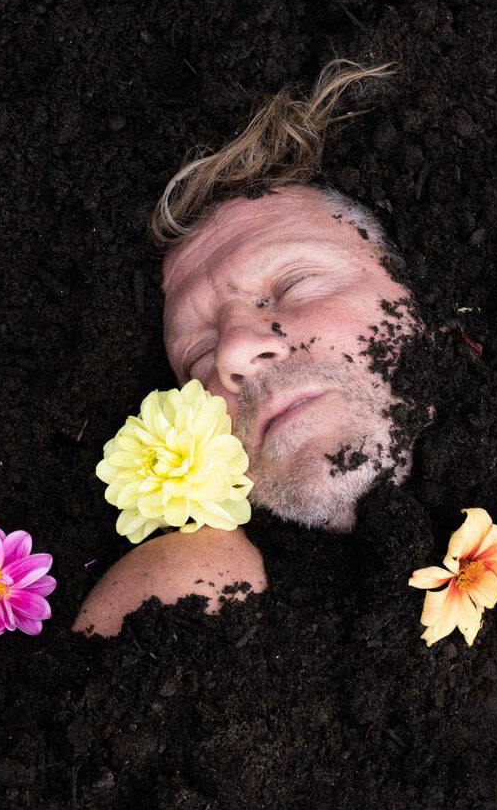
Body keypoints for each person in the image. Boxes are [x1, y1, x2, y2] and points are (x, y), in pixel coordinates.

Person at [74, 61, 418, 637]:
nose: (232, 354)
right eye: (197, 357)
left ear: (415, 282)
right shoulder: (194, 599)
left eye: (290, 286)